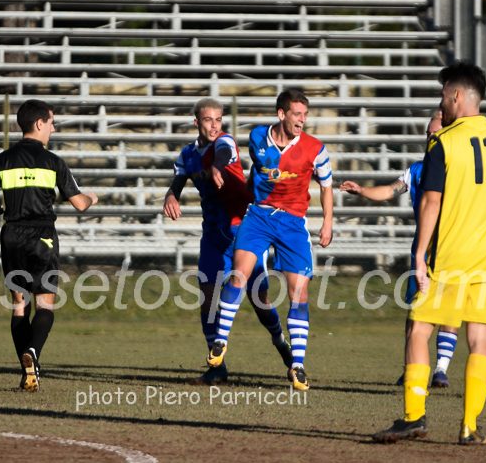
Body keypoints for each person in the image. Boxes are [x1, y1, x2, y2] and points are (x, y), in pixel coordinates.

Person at [373, 62, 486, 445]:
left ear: (456, 95)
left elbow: (431, 202)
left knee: (419, 330)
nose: (442, 103)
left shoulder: (443, 142)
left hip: (451, 257)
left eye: (443, 96)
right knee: (480, 339)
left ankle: (413, 417)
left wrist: (420, 254)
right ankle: (470, 426)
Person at [206, 89, 334, 391]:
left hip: (293, 223)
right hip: (259, 216)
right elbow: (255, 171)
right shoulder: (257, 138)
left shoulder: (315, 149)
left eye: (305, 115)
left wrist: (328, 222)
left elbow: (326, 186)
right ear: (281, 114)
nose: (302, 121)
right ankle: (220, 341)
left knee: (298, 292)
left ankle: (297, 365)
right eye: (297, 114)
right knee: (238, 275)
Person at [163, 98, 293, 385]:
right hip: (213, 234)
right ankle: (217, 367)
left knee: (260, 300)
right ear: (196, 122)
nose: (214, 125)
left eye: (218, 119)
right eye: (208, 120)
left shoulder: (225, 142)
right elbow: (177, 183)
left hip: (243, 231)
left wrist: (217, 167)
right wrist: (171, 196)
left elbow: (223, 152)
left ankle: (280, 342)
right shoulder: (187, 155)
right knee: (207, 298)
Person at [0, 99, 98, 392]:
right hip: (42, 236)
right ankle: (34, 352)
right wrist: (93, 197)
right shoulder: (53, 162)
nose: (53, 129)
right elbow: (80, 204)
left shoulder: (2, 159)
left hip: (12, 236)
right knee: (45, 304)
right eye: (52, 123)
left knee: (20, 307)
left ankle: (28, 373)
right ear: (40, 123)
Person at [340, 110, 459, 388]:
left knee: (449, 309)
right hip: (423, 250)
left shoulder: (457, 169)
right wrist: (362, 190)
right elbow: (390, 190)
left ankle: (441, 369)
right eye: (428, 134)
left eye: (435, 133)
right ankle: (411, 367)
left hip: (452, 248)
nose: (430, 138)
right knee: (414, 310)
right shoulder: (417, 170)